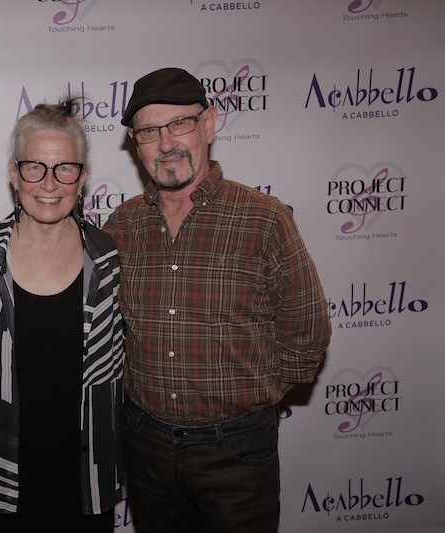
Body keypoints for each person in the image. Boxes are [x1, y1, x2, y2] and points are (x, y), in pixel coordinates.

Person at [104, 67, 332, 532]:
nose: (166, 143)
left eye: (179, 124)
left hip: (237, 452)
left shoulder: (264, 218)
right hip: (145, 445)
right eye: (149, 131)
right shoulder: (121, 225)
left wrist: (250, 403)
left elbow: (306, 332)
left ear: (208, 124)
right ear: (135, 142)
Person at [0, 97, 125, 532]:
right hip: (3, 478)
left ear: (82, 178)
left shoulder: (106, 256)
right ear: (14, 173)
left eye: (65, 169)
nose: (49, 183)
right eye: (34, 167)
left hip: (87, 477)